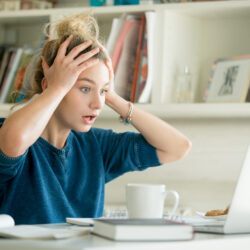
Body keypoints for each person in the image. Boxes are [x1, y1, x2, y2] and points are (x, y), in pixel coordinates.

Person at [0, 13, 191, 225]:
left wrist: (115, 99)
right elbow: (15, 139)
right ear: (49, 85)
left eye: (101, 92)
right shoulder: (10, 132)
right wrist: (58, 87)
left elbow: (176, 147)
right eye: (84, 88)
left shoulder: (96, 146)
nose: (98, 104)